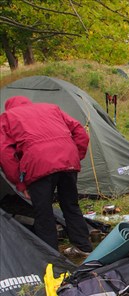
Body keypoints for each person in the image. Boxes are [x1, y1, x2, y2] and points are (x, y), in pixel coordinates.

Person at [0, 96, 93, 257]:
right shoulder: (51, 108)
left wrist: (20, 183)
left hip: (38, 164)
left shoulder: (7, 117)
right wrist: (75, 156)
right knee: (70, 204)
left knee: (44, 212)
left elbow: (5, 153)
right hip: (67, 160)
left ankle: (51, 256)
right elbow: (80, 132)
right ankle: (83, 246)